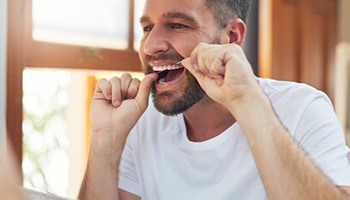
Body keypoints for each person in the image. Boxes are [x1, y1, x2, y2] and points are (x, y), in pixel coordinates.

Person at [79, 0, 350, 199]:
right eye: (148, 27)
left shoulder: (303, 110)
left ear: (231, 37)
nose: (151, 46)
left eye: (177, 25)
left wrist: (248, 103)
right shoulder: (140, 121)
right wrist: (106, 141)